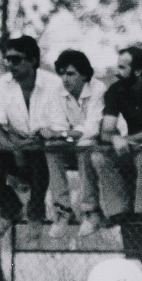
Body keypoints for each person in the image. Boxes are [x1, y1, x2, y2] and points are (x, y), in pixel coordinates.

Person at [0, 35, 67, 234]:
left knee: (41, 154)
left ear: (32, 61)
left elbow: (59, 125)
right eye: (7, 60)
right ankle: (10, 207)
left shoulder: (54, 84)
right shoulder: (3, 83)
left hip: (44, 144)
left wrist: (36, 139)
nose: (10, 65)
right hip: (16, 144)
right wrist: (14, 147)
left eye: (16, 60)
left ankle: (35, 214)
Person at [90, 46, 142, 230]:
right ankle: (118, 212)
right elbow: (106, 130)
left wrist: (126, 140)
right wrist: (116, 138)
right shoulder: (115, 90)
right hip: (132, 146)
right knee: (98, 156)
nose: (117, 72)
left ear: (138, 70)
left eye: (123, 68)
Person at [44, 50, 107, 237]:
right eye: (61, 73)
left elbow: (93, 126)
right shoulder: (57, 91)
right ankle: (62, 211)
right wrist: (60, 133)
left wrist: (65, 133)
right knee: (50, 147)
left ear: (85, 74)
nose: (64, 78)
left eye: (70, 73)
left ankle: (91, 211)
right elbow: (57, 124)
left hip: (94, 144)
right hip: (71, 141)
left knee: (85, 144)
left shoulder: (98, 88)